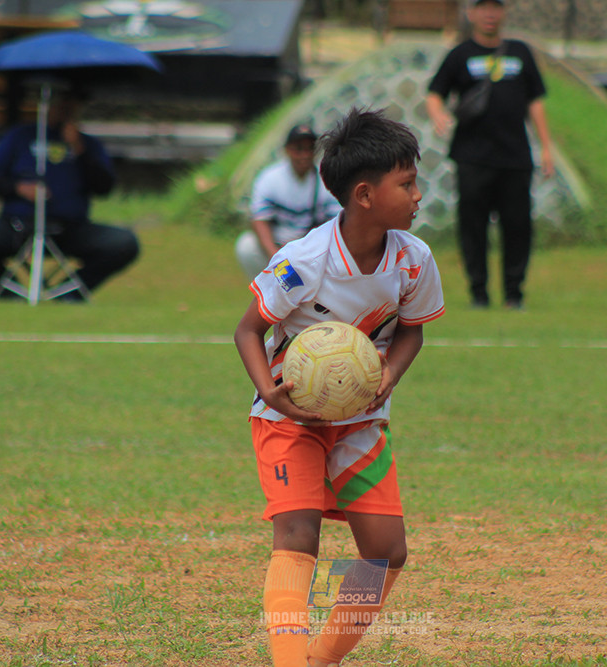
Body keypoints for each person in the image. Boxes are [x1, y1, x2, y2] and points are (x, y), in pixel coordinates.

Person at [233, 107, 445, 667]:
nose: (419, 195)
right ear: (365, 194)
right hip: (288, 419)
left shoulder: (414, 261)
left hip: (361, 424)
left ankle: (320, 659)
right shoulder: (304, 260)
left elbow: (412, 334)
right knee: (297, 536)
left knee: (386, 552)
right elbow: (249, 329)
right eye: (407, 183)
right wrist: (270, 392)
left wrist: (390, 375)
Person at [0, 89, 139, 301]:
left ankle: (70, 292)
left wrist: (79, 149)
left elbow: (104, 187)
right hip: (18, 226)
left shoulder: (87, 144)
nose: (65, 109)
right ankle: (9, 291)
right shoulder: (19, 137)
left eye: (71, 104)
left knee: (123, 243)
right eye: (60, 103)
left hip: (71, 229)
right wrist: (19, 188)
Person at [426, 0, 553, 310]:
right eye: (483, 7)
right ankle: (478, 293)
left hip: (515, 156)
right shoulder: (460, 54)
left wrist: (546, 146)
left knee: (518, 226)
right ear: (471, 13)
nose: (489, 14)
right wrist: (438, 115)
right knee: (473, 227)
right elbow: (434, 92)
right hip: (472, 157)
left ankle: (514, 293)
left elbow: (535, 101)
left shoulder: (520, 53)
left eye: (496, 7)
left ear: (504, 13)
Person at [235, 124, 341, 279]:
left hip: (311, 249)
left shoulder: (326, 179)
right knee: (246, 246)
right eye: (298, 148)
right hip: (276, 247)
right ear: (287, 150)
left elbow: (336, 222)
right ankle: (264, 291)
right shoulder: (270, 177)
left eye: (309, 148)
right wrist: (276, 257)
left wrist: (304, 249)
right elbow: (259, 220)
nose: (304, 154)